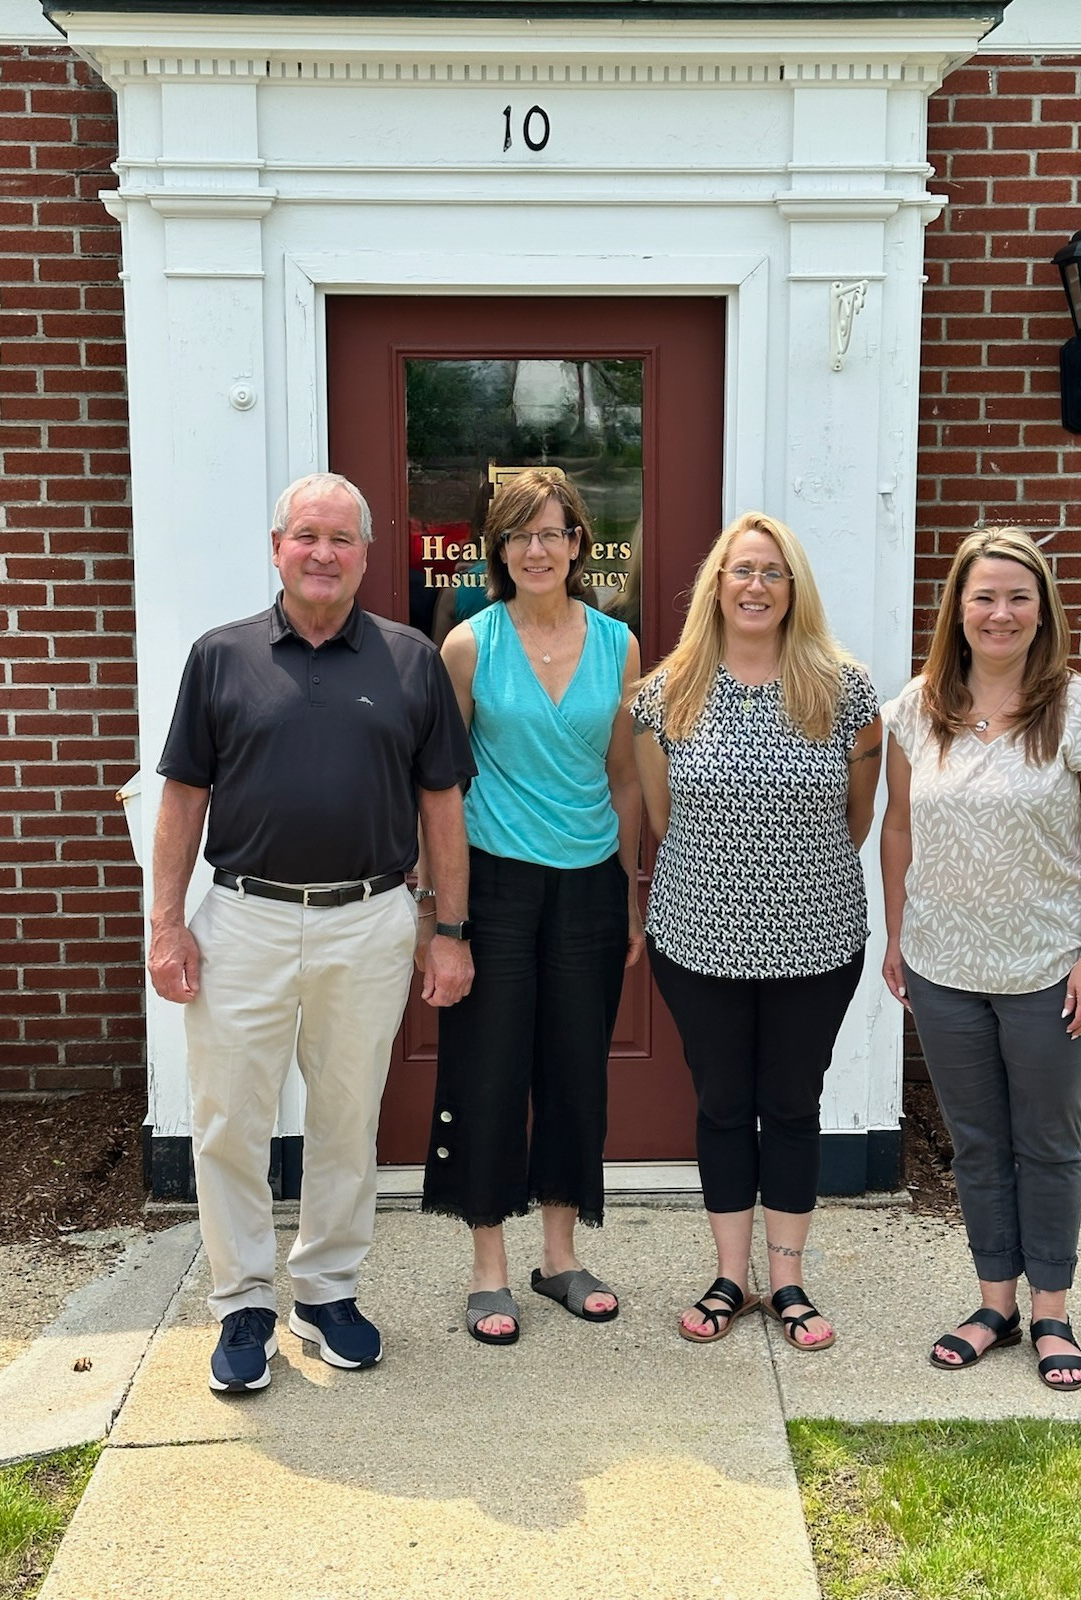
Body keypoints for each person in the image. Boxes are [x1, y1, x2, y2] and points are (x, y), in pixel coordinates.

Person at [147, 472, 476, 1393]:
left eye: (342, 539)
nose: (323, 554)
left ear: (367, 555)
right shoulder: (221, 657)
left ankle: (327, 1291)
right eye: (307, 537)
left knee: (345, 1121)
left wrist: (446, 928)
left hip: (368, 921)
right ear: (277, 546)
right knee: (228, 1123)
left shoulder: (410, 661)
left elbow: (441, 806)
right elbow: (183, 799)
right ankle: (242, 1302)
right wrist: (166, 924)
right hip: (243, 919)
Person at [880, 525, 1081, 1391]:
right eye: (983, 596)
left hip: (1047, 969)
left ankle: (1053, 1314)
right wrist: (897, 935)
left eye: (1017, 597)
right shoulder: (917, 708)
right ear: (956, 607)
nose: (1000, 612)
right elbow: (901, 829)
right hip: (944, 967)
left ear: (1042, 610)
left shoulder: (1080, 706)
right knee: (978, 1142)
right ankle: (995, 1302)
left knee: (1049, 1142)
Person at [631, 512, 882, 1347]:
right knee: (724, 1104)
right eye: (741, 571)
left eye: (773, 573)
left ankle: (788, 1283)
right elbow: (662, 820)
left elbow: (857, 818)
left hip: (816, 938)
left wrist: (785, 877)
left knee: (792, 1103)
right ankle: (729, 1278)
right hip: (699, 936)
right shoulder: (666, 694)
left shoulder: (846, 689)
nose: (756, 586)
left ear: (794, 589)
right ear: (715, 585)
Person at [418, 467, 644, 1345]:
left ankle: (559, 1257)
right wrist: (442, 917)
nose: (537, 549)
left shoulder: (618, 646)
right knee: (488, 1068)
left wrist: (629, 892)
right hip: (495, 881)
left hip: (589, 883)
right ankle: (489, 1269)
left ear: (580, 543)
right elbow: (439, 787)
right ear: (498, 550)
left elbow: (623, 777)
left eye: (553, 533)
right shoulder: (468, 646)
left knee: (574, 1069)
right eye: (519, 535)